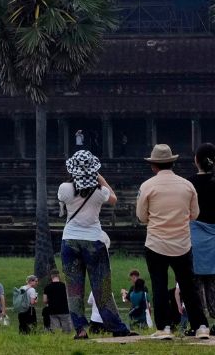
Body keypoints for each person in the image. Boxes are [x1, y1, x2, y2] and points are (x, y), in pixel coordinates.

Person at [137, 143, 211, 340]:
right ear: (172, 163)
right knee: (188, 286)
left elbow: (142, 217)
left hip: (156, 244)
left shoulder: (147, 186)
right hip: (182, 243)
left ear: (154, 166)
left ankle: (164, 328)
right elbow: (195, 214)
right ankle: (201, 326)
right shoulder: (187, 185)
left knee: (159, 285)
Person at [59, 150, 132, 339]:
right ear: (93, 170)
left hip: (70, 240)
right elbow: (114, 199)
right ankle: (116, 327)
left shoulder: (64, 188)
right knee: (102, 287)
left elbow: (64, 201)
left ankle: (80, 330)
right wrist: (100, 178)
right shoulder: (100, 192)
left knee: (74, 289)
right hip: (93, 240)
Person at [189, 143, 215, 318]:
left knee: (196, 282)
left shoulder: (189, 183)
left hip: (194, 237)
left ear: (196, 160)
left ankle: (200, 322)